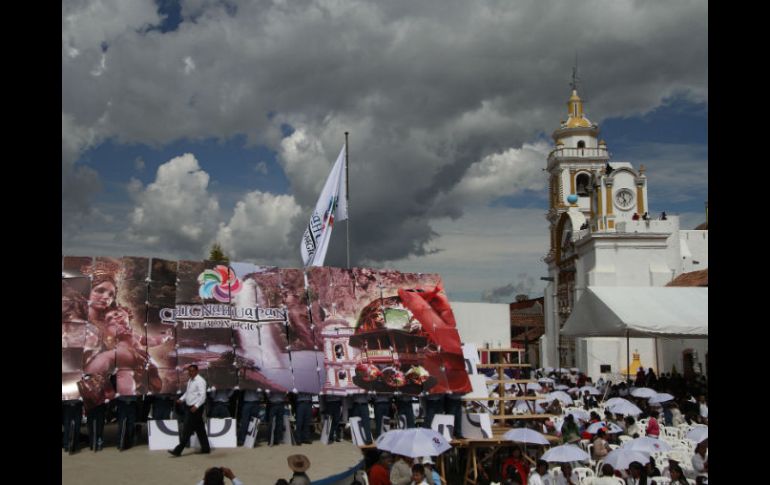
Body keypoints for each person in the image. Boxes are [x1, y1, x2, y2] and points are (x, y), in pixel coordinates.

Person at [168, 365, 210, 457]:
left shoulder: (200, 381)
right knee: (200, 429)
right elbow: (188, 393)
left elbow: (203, 396)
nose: (190, 373)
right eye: (189, 371)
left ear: (196, 371)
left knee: (186, 429)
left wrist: (196, 406)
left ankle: (178, 450)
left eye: (192, 371)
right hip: (189, 407)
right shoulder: (190, 380)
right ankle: (206, 448)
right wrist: (181, 399)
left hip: (195, 409)